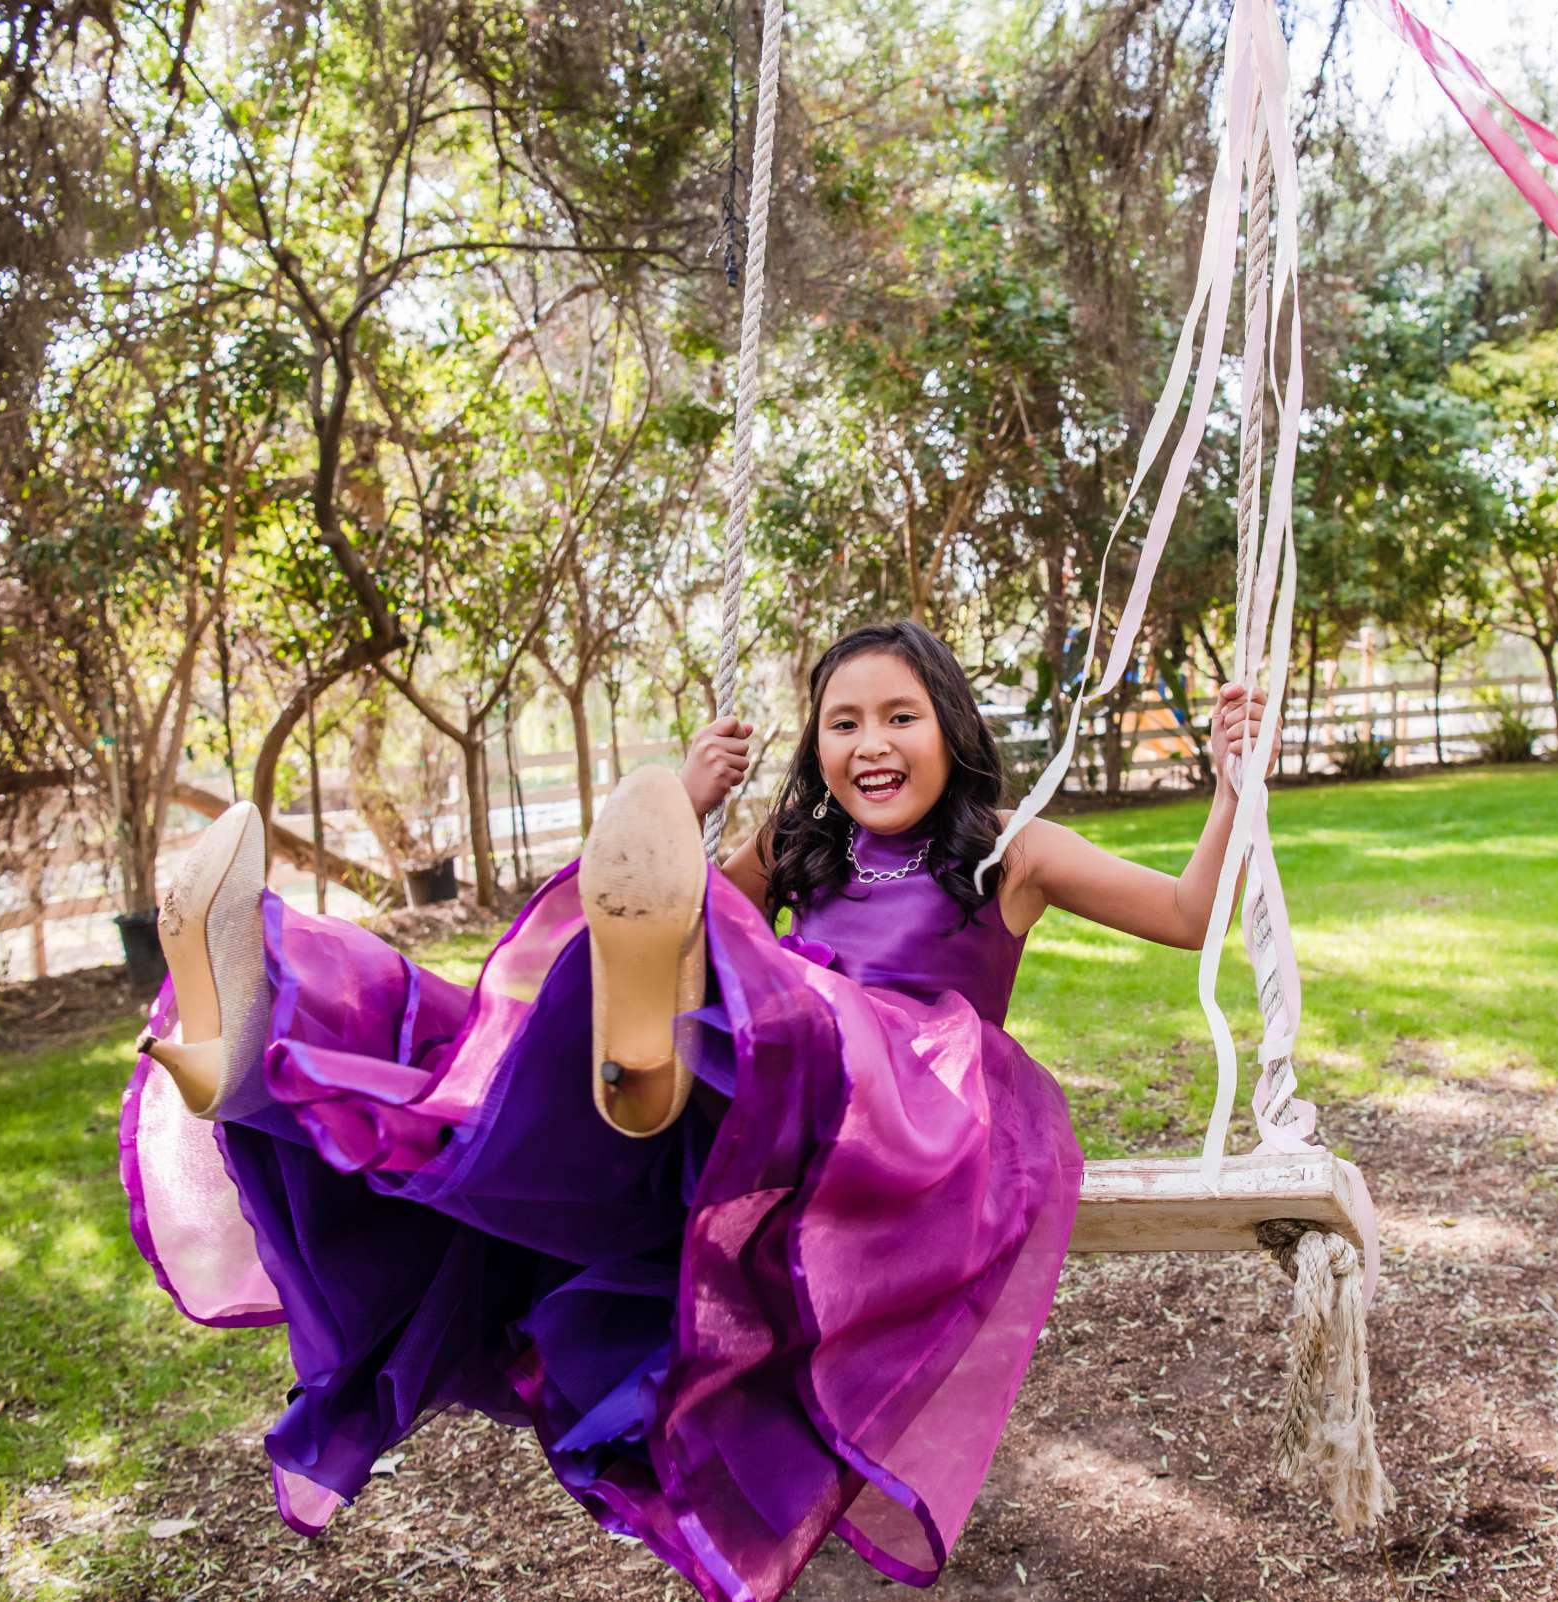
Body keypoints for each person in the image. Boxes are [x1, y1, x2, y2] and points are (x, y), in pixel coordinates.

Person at [121, 619, 1273, 1602]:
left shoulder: (1015, 856)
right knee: (493, 1060)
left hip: (903, 1119)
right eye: (843, 724)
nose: (871, 744)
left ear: (953, 729)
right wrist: (693, 809)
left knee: (775, 1000)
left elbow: (1183, 913)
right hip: (762, 1109)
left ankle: (650, 1058)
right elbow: (699, 919)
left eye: (900, 717)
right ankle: (268, 1049)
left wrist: (1229, 786)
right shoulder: (799, 851)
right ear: (817, 748)